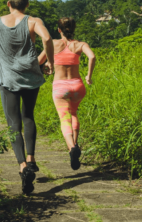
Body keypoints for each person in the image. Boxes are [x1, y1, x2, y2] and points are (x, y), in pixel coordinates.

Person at [0, 0, 54, 195]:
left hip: (8, 78)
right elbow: (47, 40)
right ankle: (31, 159)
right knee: (28, 116)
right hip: (30, 76)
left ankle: (22, 166)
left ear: (8, 4)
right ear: (27, 5)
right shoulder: (33, 21)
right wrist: (50, 62)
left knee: (13, 124)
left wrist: (3, 55)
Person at [38, 17, 96, 170]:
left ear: (59, 30)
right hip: (77, 86)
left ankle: (71, 148)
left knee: (65, 118)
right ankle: (75, 145)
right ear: (74, 29)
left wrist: (46, 65)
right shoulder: (80, 45)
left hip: (60, 87)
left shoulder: (53, 44)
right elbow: (92, 56)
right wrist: (89, 76)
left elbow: (38, 61)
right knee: (74, 114)